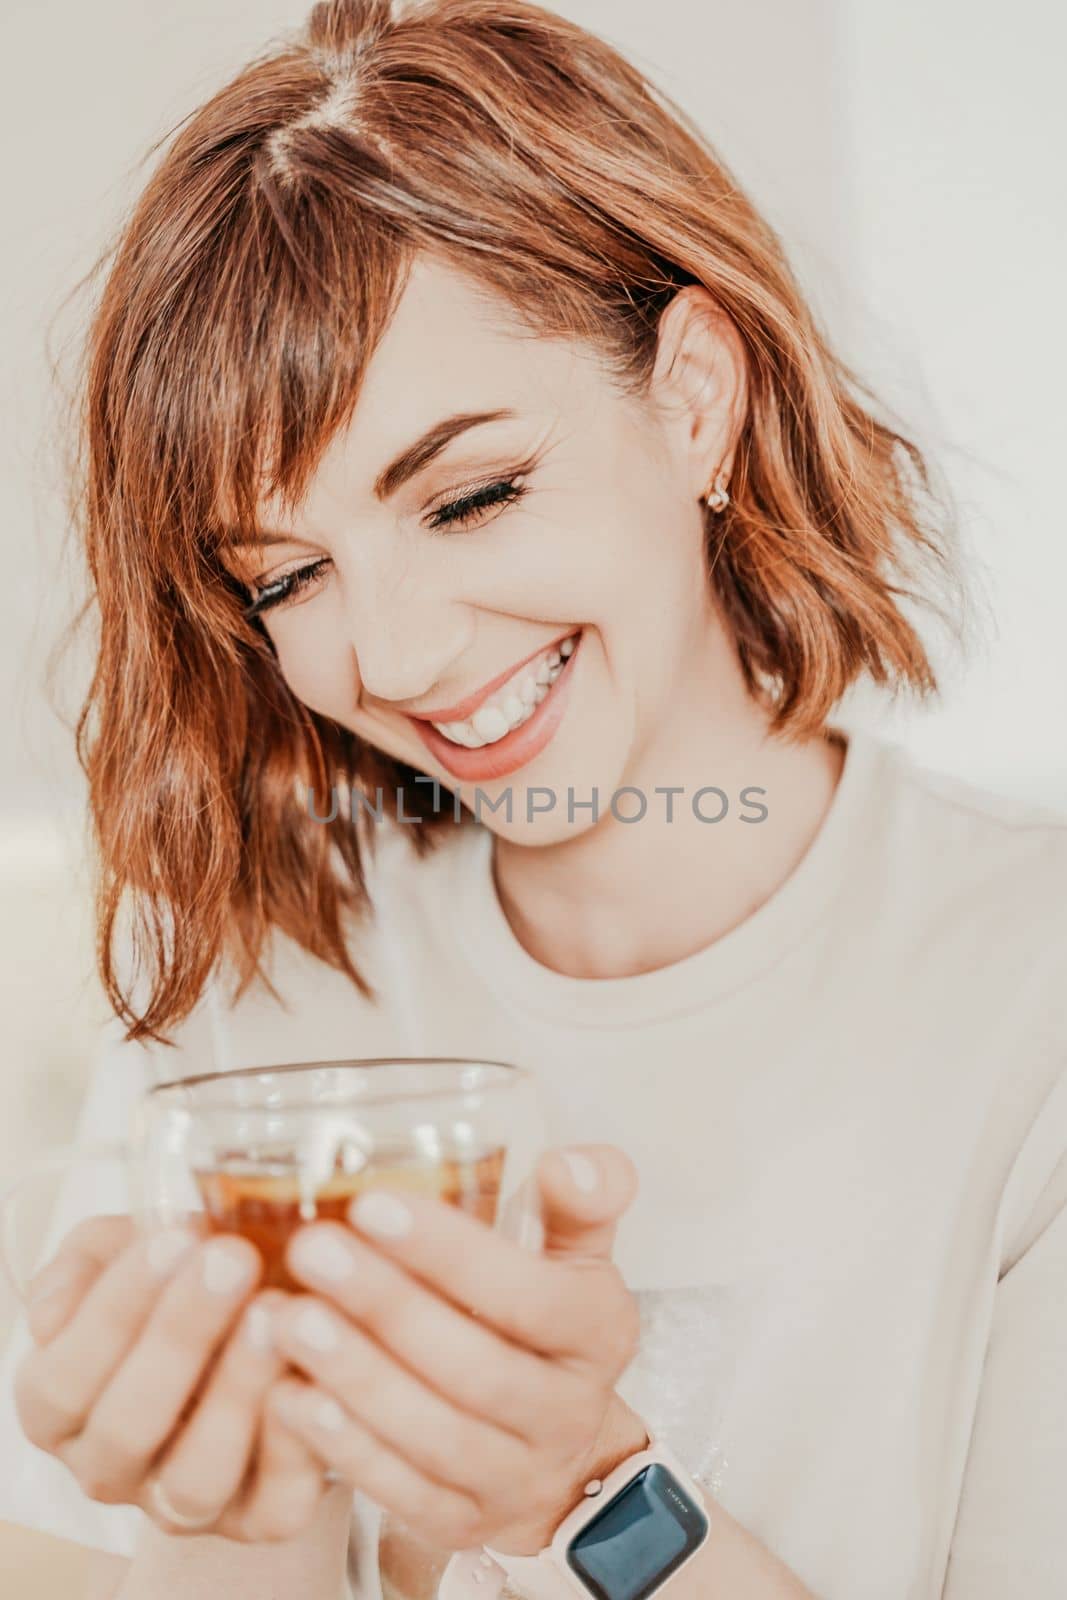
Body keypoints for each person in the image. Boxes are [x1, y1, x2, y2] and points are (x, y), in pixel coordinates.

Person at [1, 0, 1065, 1595]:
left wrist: (582, 1492)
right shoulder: (262, 985)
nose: (398, 654)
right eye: (289, 576)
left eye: (473, 495)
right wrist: (230, 1506)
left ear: (698, 396)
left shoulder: (1025, 996)